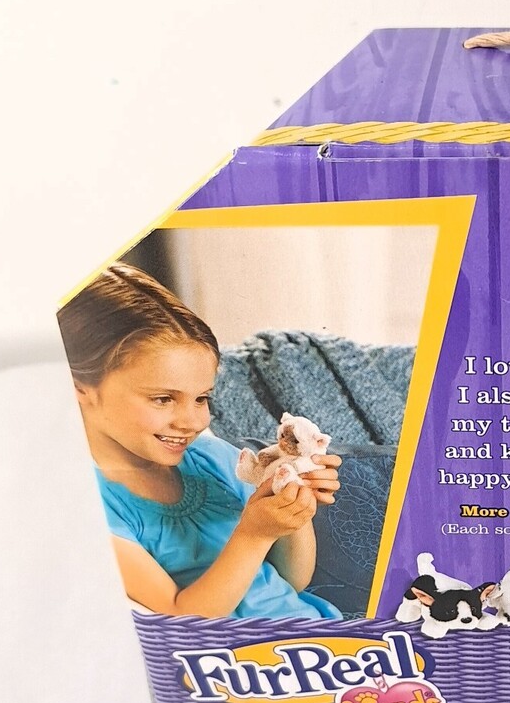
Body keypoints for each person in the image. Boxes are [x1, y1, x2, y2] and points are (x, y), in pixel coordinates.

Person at [58, 263, 342, 620]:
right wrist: (253, 534)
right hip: (234, 653)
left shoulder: (214, 459)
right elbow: (182, 617)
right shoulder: (86, 506)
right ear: (80, 388)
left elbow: (289, 582)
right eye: (163, 399)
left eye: (201, 398)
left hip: (311, 631)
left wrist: (292, 505)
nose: (194, 422)